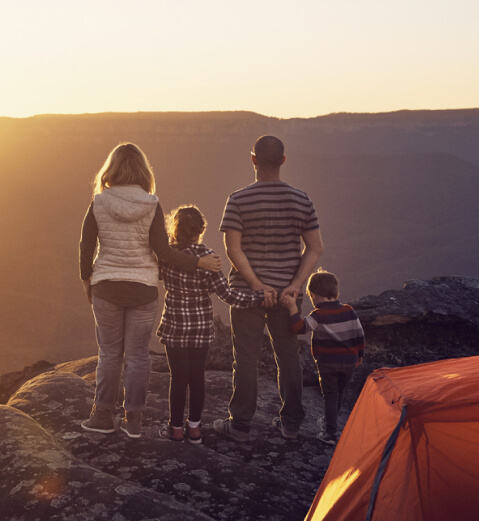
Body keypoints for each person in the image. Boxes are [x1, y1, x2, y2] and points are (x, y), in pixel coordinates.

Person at [79, 143, 221, 439]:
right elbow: (163, 251)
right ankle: (134, 420)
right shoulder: (151, 204)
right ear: (143, 170)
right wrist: (199, 262)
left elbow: (86, 247)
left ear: (111, 168)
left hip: (106, 285)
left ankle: (103, 416)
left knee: (109, 355)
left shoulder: (99, 202)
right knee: (139, 356)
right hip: (143, 289)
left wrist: (87, 280)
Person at [211, 135, 324, 442]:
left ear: (253, 159)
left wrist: (257, 284)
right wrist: (295, 285)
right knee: (287, 355)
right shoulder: (302, 199)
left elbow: (233, 249)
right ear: (283, 161)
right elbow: (315, 248)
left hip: (247, 294)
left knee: (245, 357)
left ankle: (241, 425)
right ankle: (291, 423)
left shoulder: (238, 199)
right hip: (288, 296)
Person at [155, 204, 269, 444]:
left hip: (175, 324)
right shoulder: (210, 258)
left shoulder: (167, 256)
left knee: (178, 378)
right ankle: (195, 429)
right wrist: (260, 296)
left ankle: (175, 429)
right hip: (200, 326)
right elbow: (229, 296)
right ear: (201, 230)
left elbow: (154, 273)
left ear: (175, 229)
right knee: (197, 376)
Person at [286, 270, 364, 444]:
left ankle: (330, 432)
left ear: (312, 295)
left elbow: (299, 328)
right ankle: (332, 421)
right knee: (340, 392)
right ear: (336, 293)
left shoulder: (318, 315)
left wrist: (292, 307)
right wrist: (359, 355)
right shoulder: (349, 311)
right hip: (349, 362)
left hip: (328, 364)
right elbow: (359, 334)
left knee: (330, 394)